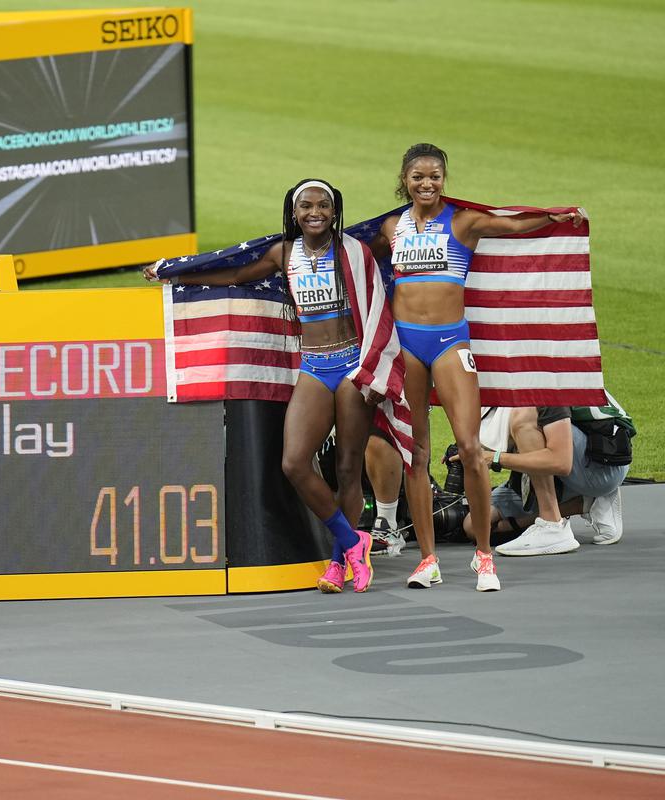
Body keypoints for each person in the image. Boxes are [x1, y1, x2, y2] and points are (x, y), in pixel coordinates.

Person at [146, 179, 409, 593]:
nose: (315, 212)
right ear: (293, 211)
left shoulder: (352, 251)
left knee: (346, 467)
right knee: (294, 463)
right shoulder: (283, 253)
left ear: (335, 211)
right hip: (314, 367)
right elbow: (237, 271)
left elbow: (389, 257)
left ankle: (340, 563)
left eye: (324, 205)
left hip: (352, 366)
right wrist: (176, 273)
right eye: (306, 205)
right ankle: (352, 539)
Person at [369, 144, 585, 592]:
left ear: (444, 179)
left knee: (470, 447)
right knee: (417, 452)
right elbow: (352, 253)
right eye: (418, 177)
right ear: (404, 180)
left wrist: (551, 216)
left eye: (435, 176)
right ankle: (427, 560)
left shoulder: (464, 222)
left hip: (449, 342)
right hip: (406, 344)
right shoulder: (392, 227)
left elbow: (511, 225)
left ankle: (483, 557)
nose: (427, 183)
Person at [460, 393, 633, 556]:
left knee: (524, 416)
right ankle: (585, 504)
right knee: (474, 525)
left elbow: (560, 462)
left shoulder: (542, 377)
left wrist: (496, 458)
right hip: (566, 467)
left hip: (601, 466)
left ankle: (552, 524)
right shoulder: (491, 390)